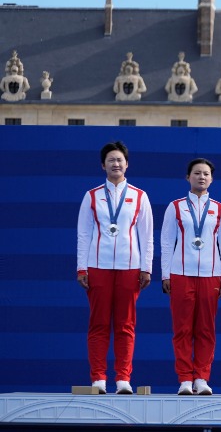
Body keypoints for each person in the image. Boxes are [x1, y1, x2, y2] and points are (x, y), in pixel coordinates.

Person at [76, 141, 154, 395]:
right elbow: (83, 234)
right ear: (103, 165)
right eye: (111, 160)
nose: (116, 164)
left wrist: (147, 268)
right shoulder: (92, 195)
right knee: (98, 324)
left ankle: (123, 379)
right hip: (97, 266)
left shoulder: (139, 196)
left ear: (127, 164)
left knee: (125, 325)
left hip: (129, 267)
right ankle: (98, 378)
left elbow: (147, 235)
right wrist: (81, 268)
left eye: (120, 160)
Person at [161, 158, 221, 396]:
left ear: (211, 179)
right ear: (187, 177)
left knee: (205, 329)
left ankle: (201, 378)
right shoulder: (176, 206)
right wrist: (165, 274)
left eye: (205, 174)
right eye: (196, 173)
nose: (201, 177)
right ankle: (184, 379)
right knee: (182, 329)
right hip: (181, 273)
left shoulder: (220, 209)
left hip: (211, 275)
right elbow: (166, 241)